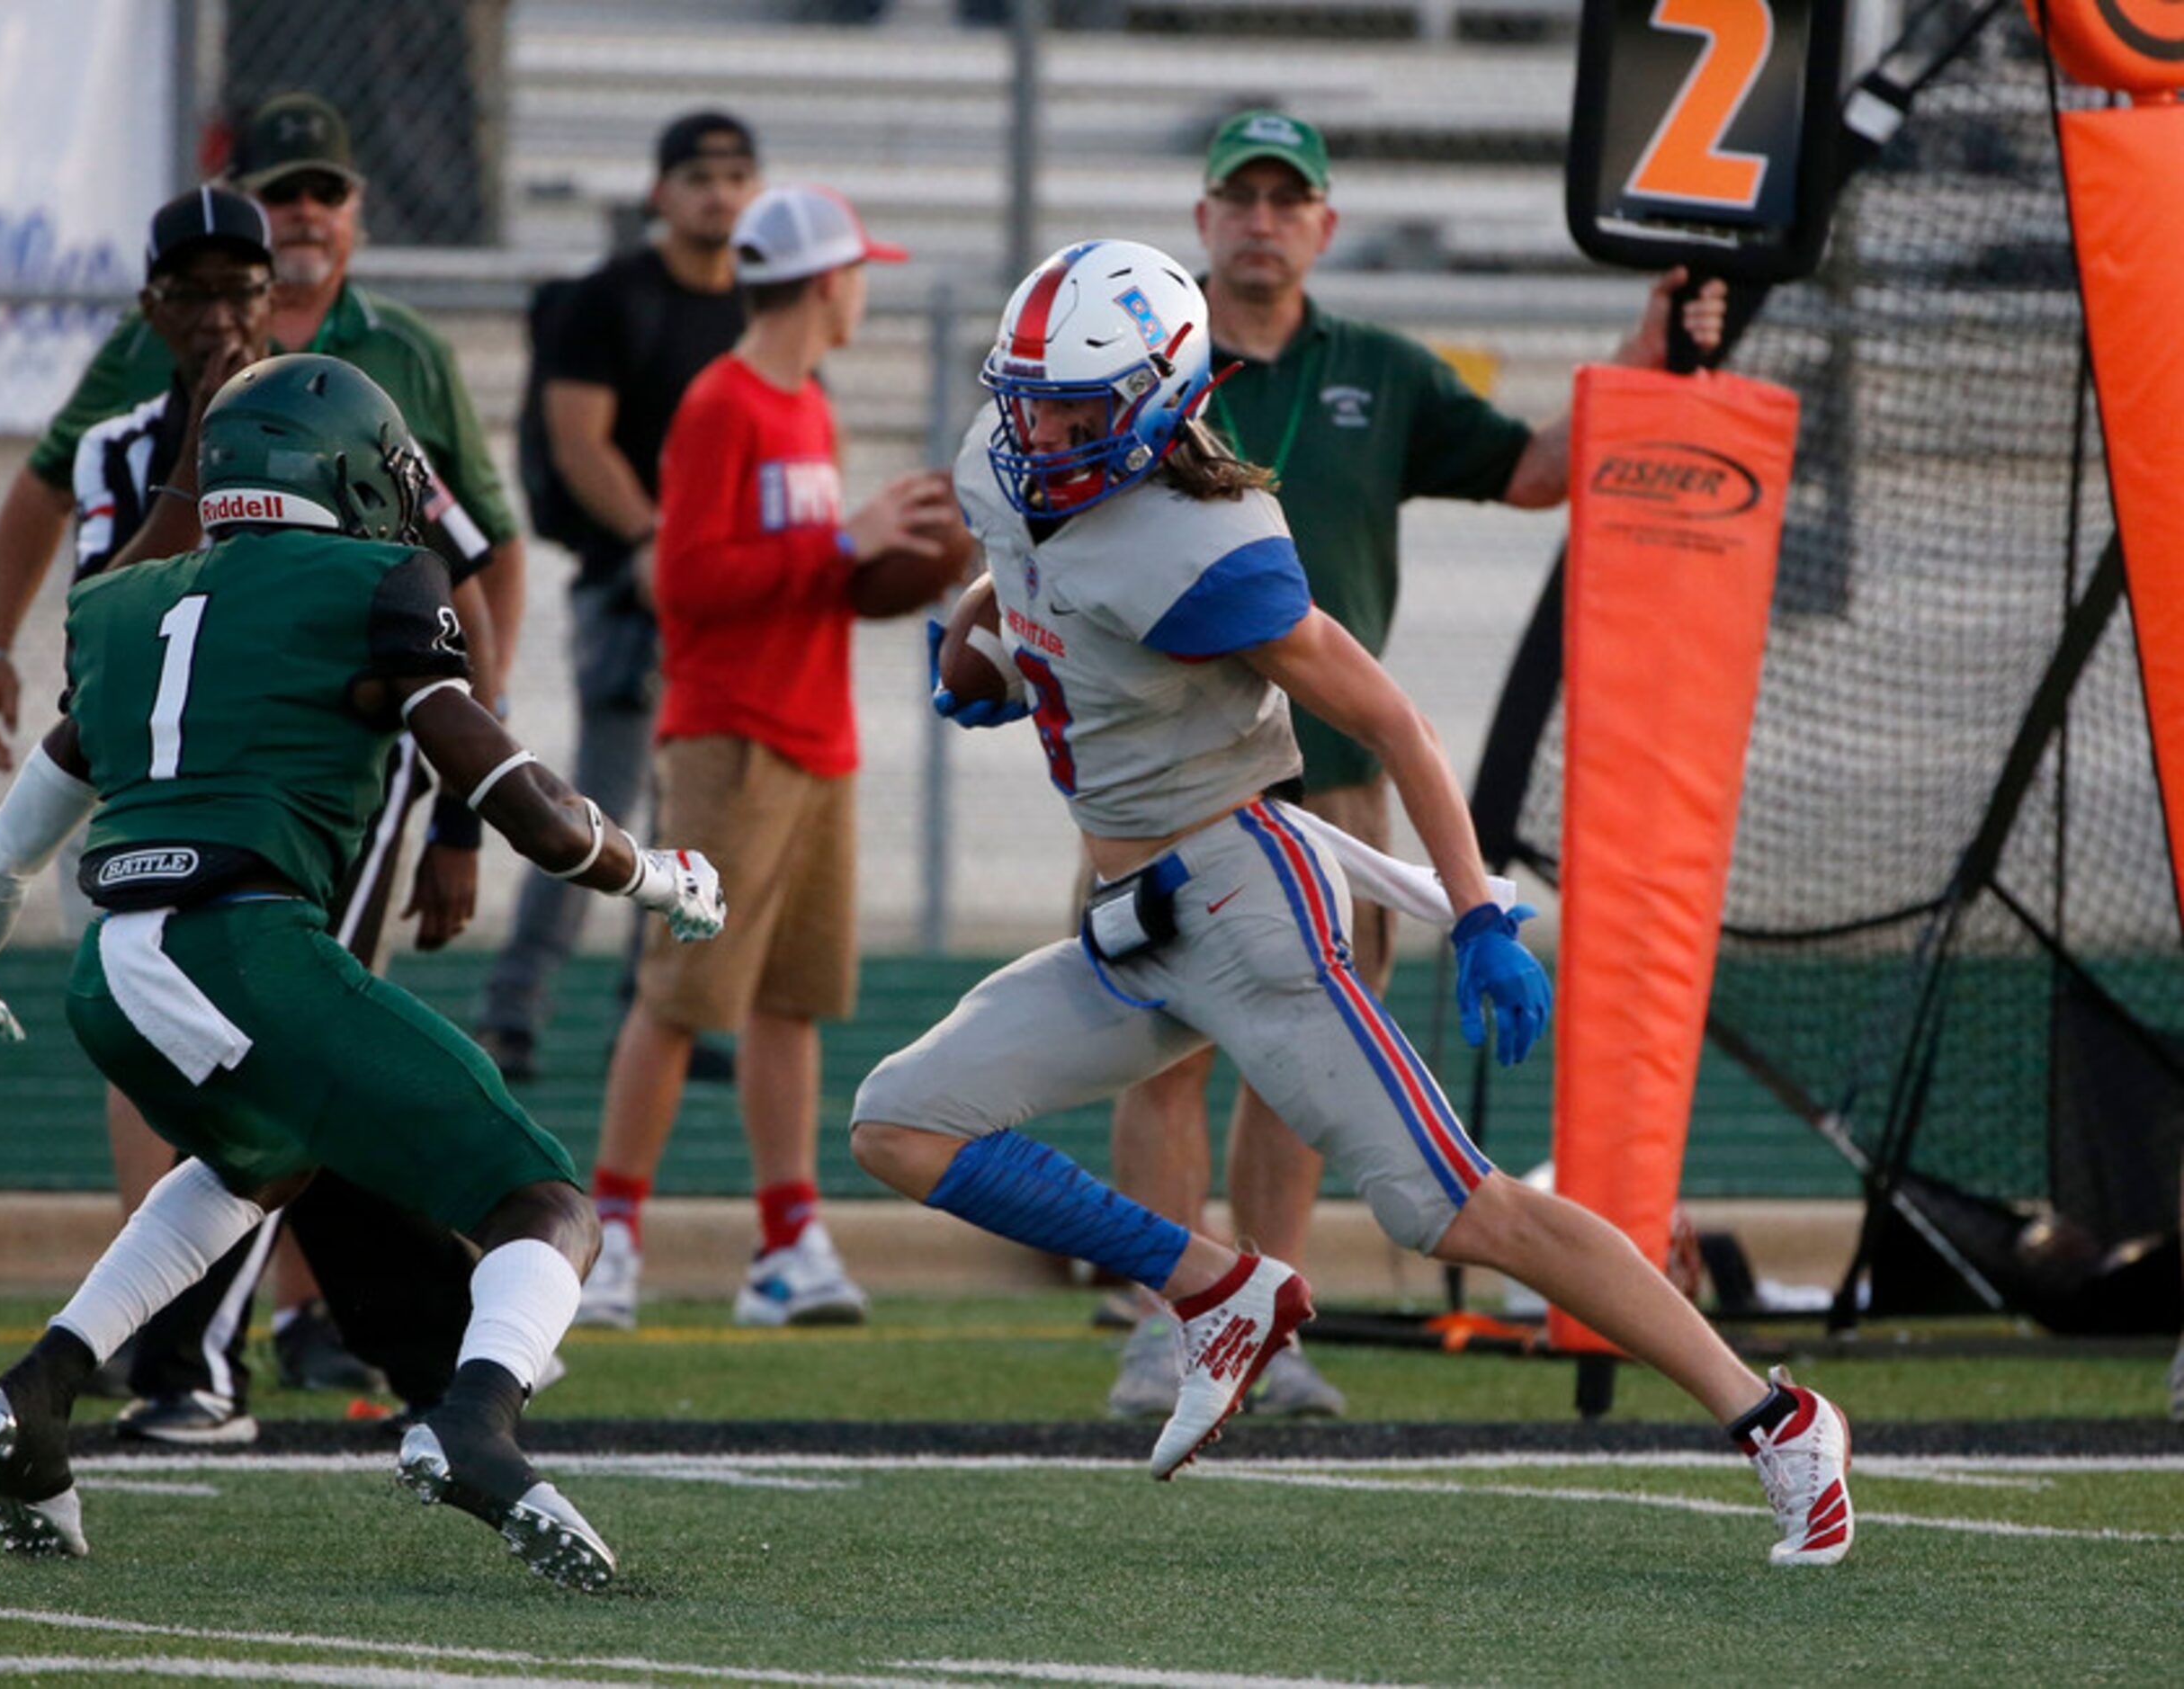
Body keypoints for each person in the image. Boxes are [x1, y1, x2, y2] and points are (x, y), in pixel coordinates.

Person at [863, 239, 1852, 1568]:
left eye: (1072, 411)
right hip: (1128, 918)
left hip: (1239, 903)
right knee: (898, 1124)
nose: (1035, 430)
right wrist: (979, 640)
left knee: (1453, 1207)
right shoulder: (1010, 448)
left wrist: (1479, 912)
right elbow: (1015, 547)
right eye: (1025, 397)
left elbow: (1392, 722)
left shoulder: (1205, 545)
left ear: (1159, 402)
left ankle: (1776, 1418)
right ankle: (1213, 1283)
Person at [0, 353, 729, 1588]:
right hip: (242, 948)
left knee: (261, 1160)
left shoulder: (122, 604)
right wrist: (655, 873)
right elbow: (532, 810)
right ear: (347, 472)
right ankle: (475, 1420)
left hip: (108, 973)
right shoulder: (376, 582)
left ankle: (35, 1395)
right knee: (544, 1201)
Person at [1097, 109, 1732, 1422]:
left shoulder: (1378, 372)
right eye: (1241, 197)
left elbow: (1534, 472)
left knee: (1301, 1057)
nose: (1262, 220)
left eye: (1288, 200)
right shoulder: (1142, 368)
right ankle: (1166, 1323)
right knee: (1156, 1050)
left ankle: (1260, 1317)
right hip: (1163, 773)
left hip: (1328, 770)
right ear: (1203, 216)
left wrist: (1645, 351)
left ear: (1321, 224)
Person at [0, 93, 515, 1435]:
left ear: (283, 284)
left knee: (288, 1047)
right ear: (152, 306)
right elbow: (104, 616)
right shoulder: (116, 428)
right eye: (192, 291)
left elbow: (456, 564)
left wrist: (463, 802)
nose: (219, 314)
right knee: (208, 1056)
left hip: (324, 778)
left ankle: (215, 1347)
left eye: (242, 287)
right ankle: (239, 1340)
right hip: (162, 774)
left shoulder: (363, 385)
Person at [577, 185, 964, 1329]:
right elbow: (686, 581)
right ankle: (607, 1239)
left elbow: (810, 576)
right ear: (825, 282)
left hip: (815, 734)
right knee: (680, 994)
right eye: (858, 273)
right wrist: (844, 541)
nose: (865, 292)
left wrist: (887, 564)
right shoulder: (722, 403)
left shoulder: (808, 404)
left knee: (792, 1001)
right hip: (727, 737)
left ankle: (787, 1241)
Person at [473, 109, 758, 1086]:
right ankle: (512, 1013)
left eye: (734, 174)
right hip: (630, 600)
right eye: (698, 175)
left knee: (694, 815)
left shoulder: (750, 307)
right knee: (591, 809)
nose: (718, 192)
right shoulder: (609, 300)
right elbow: (576, 439)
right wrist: (650, 542)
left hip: (720, 608)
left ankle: (658, 1013)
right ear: (659, 193)